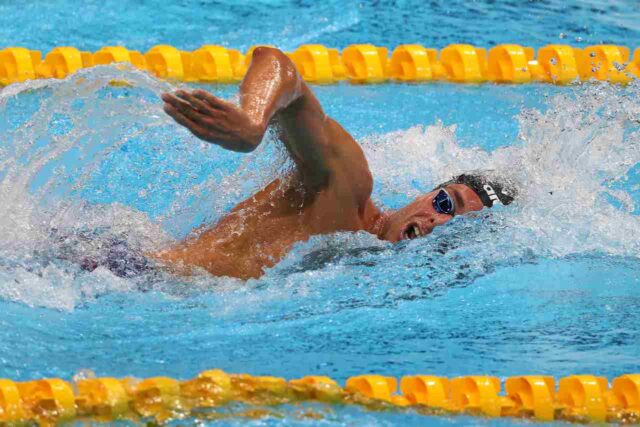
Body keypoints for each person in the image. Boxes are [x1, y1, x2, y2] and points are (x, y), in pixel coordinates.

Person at [152, 47, 515, 279]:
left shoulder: (360, 264)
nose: (438, 222)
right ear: (427, 193)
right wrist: (251, 122)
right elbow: (278, 64)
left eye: (456, 226)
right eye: (445, 203)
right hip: (137, 273)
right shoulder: (346, 189)